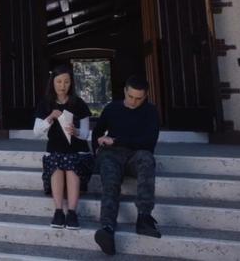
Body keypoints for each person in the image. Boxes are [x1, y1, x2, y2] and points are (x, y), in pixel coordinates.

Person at [90, 75, 161, 256]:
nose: (134, 101)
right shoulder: (112, 108)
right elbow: (97, 132)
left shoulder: (151, 112)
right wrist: (97, 148)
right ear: (125, 91)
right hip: (111, 155)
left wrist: (118, 140)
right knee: (110, 179)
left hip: (136, 156)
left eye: (139, 98)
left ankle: (144, 218)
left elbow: (148, 142)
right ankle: (107, 228)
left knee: (147, 159)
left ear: (145, 96)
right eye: (130, 97)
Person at [33, 65, 93, 230]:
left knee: (71, 162)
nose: (62, 85)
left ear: (71, 83)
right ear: (52, 83)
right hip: (55, 149)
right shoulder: (45, 103)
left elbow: (86, 134)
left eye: (66, 82)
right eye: (59, 81)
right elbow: (36, 132)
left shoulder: (79, 103)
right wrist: (50, 117)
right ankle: (59, 211)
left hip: (77, 150)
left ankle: (72, 212)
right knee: (57, 163)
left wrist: (76, 131)